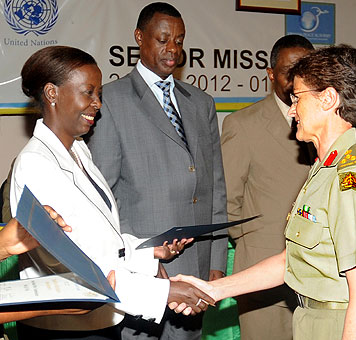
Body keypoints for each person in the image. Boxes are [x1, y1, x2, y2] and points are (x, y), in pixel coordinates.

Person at [172, 45, 356, 340]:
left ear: (328, 99)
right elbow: (289, 261)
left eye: (297, 98)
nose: (292, 110)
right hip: (310, 321)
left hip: (340, 327)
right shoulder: (324, 171)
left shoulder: (350, 181)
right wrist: (212, 289)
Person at [9, 45, 214, 340]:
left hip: (97, 320)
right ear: (52, 94)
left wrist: (148, 252)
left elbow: (99, 239)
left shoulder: (78, 150)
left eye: (99, 94)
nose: (97, 104)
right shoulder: (35, 164)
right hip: (65, 329)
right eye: (88, 93)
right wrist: (163, 292)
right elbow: (72, 262)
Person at [87, 2, 227, 339]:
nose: (173, 50)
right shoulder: (111, 102)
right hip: (142, 275)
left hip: (195, 271)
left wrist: (217, 263)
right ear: (139, 37)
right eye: (163, 39)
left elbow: (214, 188)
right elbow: (102, 202)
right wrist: (136, 260)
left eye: (179, 41)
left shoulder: (201, 103)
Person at [220, 34, 314, 340]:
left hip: (317, 276)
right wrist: (254, 245)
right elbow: (228, 202)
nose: (296, 79)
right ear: (271, 74)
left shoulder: (327, 121)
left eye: (306, 69)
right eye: (289, 71)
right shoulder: (242, 125)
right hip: (264, 279)